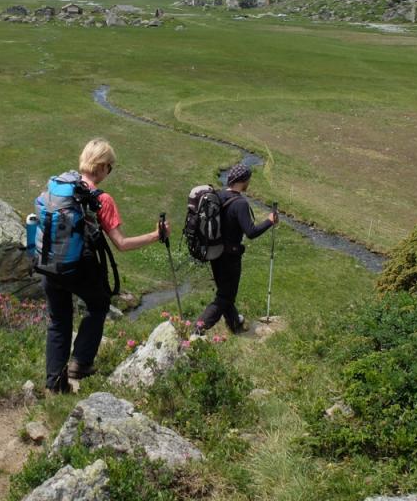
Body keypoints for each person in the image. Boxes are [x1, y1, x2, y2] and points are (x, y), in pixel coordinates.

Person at [43, 138, 169, 393]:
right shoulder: (101, 199)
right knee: (98, 306)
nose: (108, 172)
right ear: (101, 166)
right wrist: (156, 235)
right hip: (79, 266)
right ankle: (80, 362)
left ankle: (54, 384)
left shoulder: (58, 186)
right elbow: (121, 243)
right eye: (109, 167)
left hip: (49, 261)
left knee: (59, 321)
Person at [195, 163, 278, 335]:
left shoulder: (218, 195)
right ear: (243, 180)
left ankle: (234, 323)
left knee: (225, 293)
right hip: (230, 257)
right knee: (225, 297)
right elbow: (251, 232)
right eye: (248, 179)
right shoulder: (240, 203)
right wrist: (270, 221)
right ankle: (200, 327)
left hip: (215, 252)